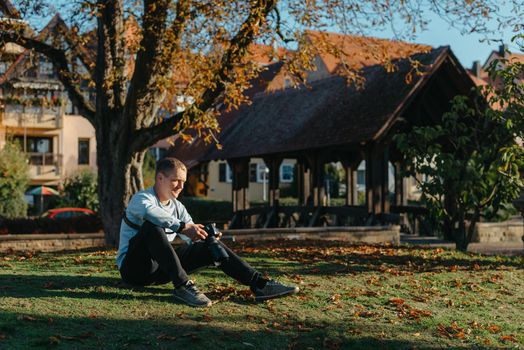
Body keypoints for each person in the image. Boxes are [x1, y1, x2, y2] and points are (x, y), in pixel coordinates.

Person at [116, 157, 299, 307]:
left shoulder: (178, 207)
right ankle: (183, 286)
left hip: (161, 272)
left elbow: (192, 236)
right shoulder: (141, 199)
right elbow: (152, 214)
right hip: (134, 271)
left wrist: (209, 240)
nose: (180, 186)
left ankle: (260, 285)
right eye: (175, 180)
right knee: (152, 226)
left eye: (183, 182)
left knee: (210, 244)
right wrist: (183, 227)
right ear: (160, 178)